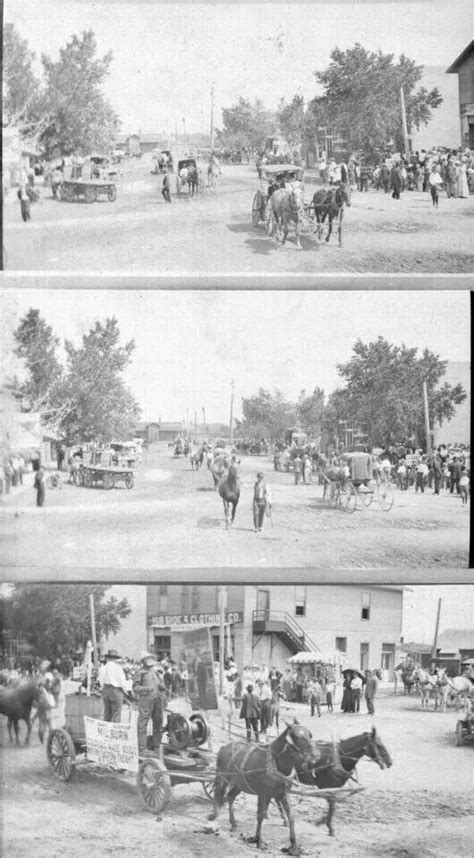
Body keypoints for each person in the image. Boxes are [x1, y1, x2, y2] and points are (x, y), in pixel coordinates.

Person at [133, 653, 167, 755]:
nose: (151, 659)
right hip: (146, 701)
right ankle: (142, 748)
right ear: (143, 660)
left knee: (158, 722)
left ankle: (156, 745)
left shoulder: (155, 672)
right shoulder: (140, 672)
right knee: (143, 723)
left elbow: (161, 685)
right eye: (148, 658)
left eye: (152, 658)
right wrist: (147, 689)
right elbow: (135, 688)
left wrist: (161, 686)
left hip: (158, 700)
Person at [98, 650, 129, 723]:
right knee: (116, 713)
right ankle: (115, 731)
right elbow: (122, 682)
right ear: (115, 659)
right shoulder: (118, 668)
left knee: (107, 712)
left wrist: (103, 688)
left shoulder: (102, 668)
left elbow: (101, 681)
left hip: (105, 689)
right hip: (116, 690)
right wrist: (126, 691)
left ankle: (106, 731)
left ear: (108, 658)